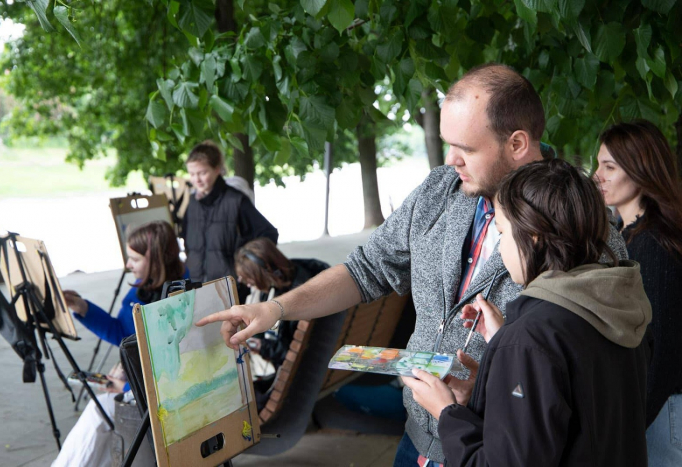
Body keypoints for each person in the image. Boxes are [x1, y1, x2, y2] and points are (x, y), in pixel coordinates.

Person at [195, 64, 628, 466]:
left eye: (465, 148)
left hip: (497, 450)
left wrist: (487, 389)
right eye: (447, 143)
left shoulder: (584, 223)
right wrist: (275, 309)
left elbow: (593, 372)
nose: (450, 159)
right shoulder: (441, 189)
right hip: (418, 439)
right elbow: (364, 270)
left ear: (517, 143)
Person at [401, 159, 651, 466]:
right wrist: (497, 381)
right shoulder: (614, 309)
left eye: (503, 233)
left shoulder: (529, 340)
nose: (501, 248)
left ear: (533, 237)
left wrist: (446, 413)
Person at [53, 221, 186, 467]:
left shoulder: (179, 297)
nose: (128, 265)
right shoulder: (142, 288)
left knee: (100, 411)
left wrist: (127, 387)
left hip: (163, 397)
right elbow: (123, 334)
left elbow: (174, 369)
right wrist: (82, 307)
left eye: (134, 259)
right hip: (138, 386)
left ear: (155, 259)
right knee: (103, 418)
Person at [595, 120, 682, 466]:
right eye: (598, 164)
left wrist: (628, 425)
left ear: (641, 170)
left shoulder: (654, 245)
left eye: (610, 167)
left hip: (660, 409)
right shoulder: (624, 236)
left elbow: (661, 351)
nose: (597, 175)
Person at [234, 237, 329, 409]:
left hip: (294, 378)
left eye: (248, 278)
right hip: (294, 369)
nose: (244, 283)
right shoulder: (275, 285)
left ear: (264, 272)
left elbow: (297, 354)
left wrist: (261, 346)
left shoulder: (297, 298)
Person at [182, 140, 278, 293]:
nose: (196, 179)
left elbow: (269, 234)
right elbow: (187, 241)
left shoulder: (236, 200)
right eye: (192, 174)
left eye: (202, 173)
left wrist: (248, 267)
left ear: (217, 170)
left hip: (231, 288)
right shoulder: (192, 203)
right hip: (196, 286)